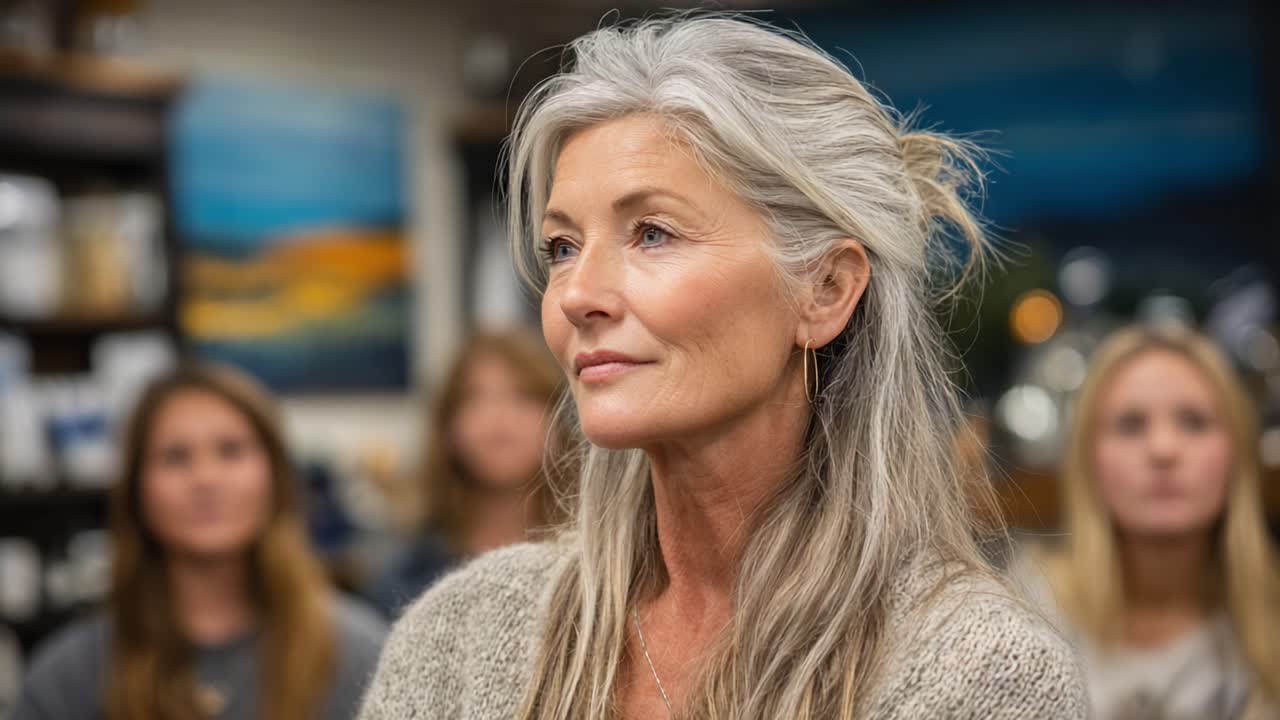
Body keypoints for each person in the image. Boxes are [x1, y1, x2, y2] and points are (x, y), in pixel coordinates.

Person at [359, 15, 1086, 719]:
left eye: (652, 233)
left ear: (825, 290)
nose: (576, 295)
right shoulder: (461, 636)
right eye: (562, 246)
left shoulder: (970, 668)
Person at [14, 364, 387, 720]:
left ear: (274, 475)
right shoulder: (69, 676)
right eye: (175, 457)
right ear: (135, 490)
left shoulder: (362, 656)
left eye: (230, 450)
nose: (205, 478)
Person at [1016, 326, 1280, 719]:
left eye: (1194, 422)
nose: (1163, 449)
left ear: (1237, 454)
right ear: (1088, 460)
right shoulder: (1023, 614)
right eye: (1130, 425)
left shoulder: (1270, 620)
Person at [369, 328, 565, 617]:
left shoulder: (599, 558)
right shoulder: (406, 575)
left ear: (560, 417)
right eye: (477, 398)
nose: (500, 417)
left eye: (523, 396)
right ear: (447, 424)